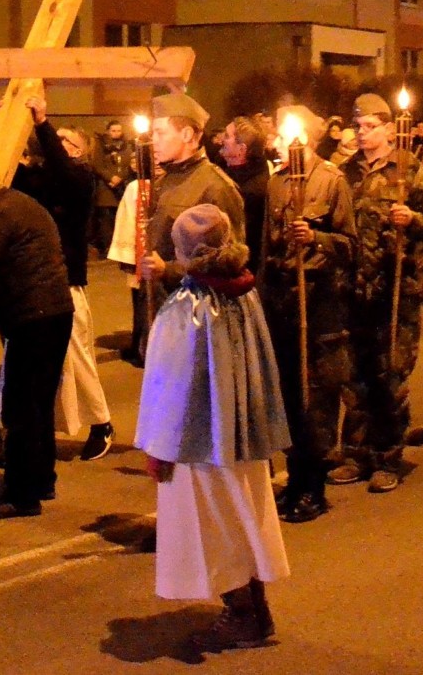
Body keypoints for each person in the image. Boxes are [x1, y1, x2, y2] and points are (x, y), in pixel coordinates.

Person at [135, 204, 290, 652]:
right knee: (245, 514)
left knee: (213, 524)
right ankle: (255, 608)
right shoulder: (244, 291)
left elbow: (171, 380)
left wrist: (158, 447)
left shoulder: (189, 306)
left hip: (198, 438)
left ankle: (242, 612)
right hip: (241, 428)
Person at [331, 93, 423, 493]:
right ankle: (356, 453)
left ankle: (388, 456)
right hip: (355, 289)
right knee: (354, 377)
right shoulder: (346, 172)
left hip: (396, 288)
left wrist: (414, 219)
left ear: (390, 129)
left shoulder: (409, 171)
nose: (361, 133)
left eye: (370, 126)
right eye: (357, 127)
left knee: (389, 376)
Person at [260, 105, 356, 522]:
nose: (278, 140)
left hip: (318, 300)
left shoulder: (332, 180)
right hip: (283, 297)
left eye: (284, 134)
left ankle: (312, 486)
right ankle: (295, 477)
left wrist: (316, 237)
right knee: (287, 393)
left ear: (307, 139)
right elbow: (268, 245)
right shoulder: (276, 183)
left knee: (315, 394)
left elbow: (351, 246)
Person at [0, 171, 74, 518]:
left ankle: (21, 494)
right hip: (55, 311)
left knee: (19, 407)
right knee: (40, 404)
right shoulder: (28, 205)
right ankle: (42, 478)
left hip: (30, 317)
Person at [109, 92, 246, 364]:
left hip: (197, 323)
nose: (153, 141)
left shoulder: (216, 186)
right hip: (163, 313)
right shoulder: (165, 181)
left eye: (160, 133)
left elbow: (232, 261)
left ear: (186, 134)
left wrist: (168, 270)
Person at [21, 96, 115, 461]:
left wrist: (43, 124)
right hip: (37, 278)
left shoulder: (80, 179)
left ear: (79, 153)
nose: (58, 146)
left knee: (76, 354)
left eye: (66, 141)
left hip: (67, 280)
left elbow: (61, 171)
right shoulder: (44, 177)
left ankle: (102, 422)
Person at [219, 114, 269, 272]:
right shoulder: (234, 174)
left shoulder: (250, 191)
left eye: (227, 136)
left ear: (241, 150)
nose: (221, 139)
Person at [90, 119, 132, 255]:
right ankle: (107, 246)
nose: (116, 133)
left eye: (119, 130)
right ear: (108, 131)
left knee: (119, 217)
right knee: (106, 218)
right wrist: (110, 177)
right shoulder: (102, 146)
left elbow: (130, 164)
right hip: (106, 187)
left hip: (121, 186)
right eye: (113, 130)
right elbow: (98, 165)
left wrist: (121, 177)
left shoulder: (127, 146)